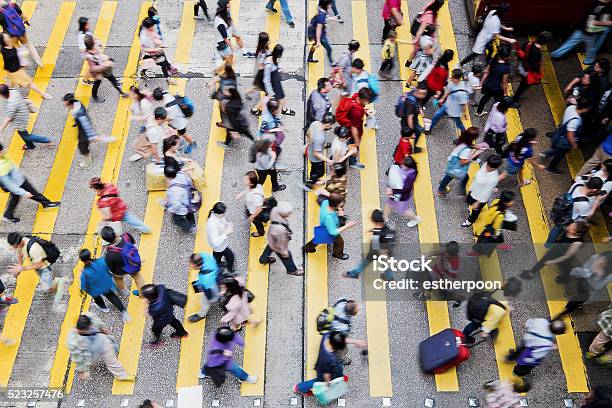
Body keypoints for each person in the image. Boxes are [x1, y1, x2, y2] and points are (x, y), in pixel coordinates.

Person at [0, 144, 60, 223]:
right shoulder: (1, 168)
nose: (4, 151)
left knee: (15, 199)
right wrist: (23, 192)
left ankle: (8, 216)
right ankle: (46, 203)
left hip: (18, 179)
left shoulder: (3, 157)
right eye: (1, 151)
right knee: (32, 193)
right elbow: (9, 184)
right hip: (17, 183)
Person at [67, 313, 135, 381]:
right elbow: (77, 357)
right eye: (86, 330)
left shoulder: (90, 317)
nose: (89, 330)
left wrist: (105, 331)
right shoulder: (74, 341)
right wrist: (82, 371)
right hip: (90, 351)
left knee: (111, 360)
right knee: (92, 363)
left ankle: (121, 375)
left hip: (101, 341)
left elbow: (100, 324)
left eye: (89, 328)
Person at [7, 233, 65, 306]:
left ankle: (59, 281)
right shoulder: (20, 242)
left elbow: (40, 264)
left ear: (20, 243)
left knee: (47, 289)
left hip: (44, 267)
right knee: (44, 280)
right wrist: (20, 264)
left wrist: (23, 268)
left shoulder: (34, 249)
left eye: (14, 246)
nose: (13, 248)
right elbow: (20, 253)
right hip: (36, 263)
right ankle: (51, 280)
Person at [521, 221, 589, 280]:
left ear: (575, 232)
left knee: (565, 268)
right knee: (544, 260)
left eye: (572, 227)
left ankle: (565, 277)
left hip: (564, 255)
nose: (569, 225)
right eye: (572, 224)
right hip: (557, 248)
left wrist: (553, 261)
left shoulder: (577, 243)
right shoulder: (569, 228)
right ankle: (532, 272)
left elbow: (566, 256)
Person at [545, 178, 605, 246]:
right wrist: (596, 202)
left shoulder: (577, 184)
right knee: (565, 233)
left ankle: (547, 244)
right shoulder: (584, 204)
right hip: (568, 220)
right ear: (595, 190)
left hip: (561, 212)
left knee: (556, 229)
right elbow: (588, 217)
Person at [550, 0, 611, 66]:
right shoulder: (604, 8)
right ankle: (588, 61)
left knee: (570, 43)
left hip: (581, 28)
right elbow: (595, 22)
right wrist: (607, 23)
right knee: (591, 49)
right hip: (590, 32)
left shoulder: (595, 3)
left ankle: (557, 54)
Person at [462, 277, 522, 344]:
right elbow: (490, 323)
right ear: (512, 295)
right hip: (484, 317)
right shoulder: (500, 311)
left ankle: (463, 335)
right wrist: (485, 331)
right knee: (494, 329)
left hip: (478, 312)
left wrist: (507, 306)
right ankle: (494, 338)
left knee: (472, 325)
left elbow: (496, 301)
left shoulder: (499, 291)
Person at [540, 98, 591, 174]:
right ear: (584, 109)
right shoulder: (576, 121)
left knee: (556, 148)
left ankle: (546, 154)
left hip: (559, 134)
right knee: (560, 154)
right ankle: (551, 168)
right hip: (564, 141)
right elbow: (570, 135)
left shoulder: (571, 108)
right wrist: (574, 145)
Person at [63, 93, 114, 168]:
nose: (64, 104)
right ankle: (107, 139)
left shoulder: (80, 112)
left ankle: (89, 161)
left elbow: (86, 125)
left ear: (68, 103)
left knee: (82, 146)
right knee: (92, 139)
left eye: (65, 102)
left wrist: (90, 136)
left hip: (84, 129)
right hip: (81, 125)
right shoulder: (76, 103)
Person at [79, 249, 131, 322]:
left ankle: (104, 308)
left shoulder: (84, 273)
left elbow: (83, 286)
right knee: (112, 297)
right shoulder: (101, 261)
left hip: (95, 290)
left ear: (83, 261)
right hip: (106, 285)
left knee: (97, 298)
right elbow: (108, 269)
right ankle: (124, 312)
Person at [302, 193, 357, 260]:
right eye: (340, 204)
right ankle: (337, 254)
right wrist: (348, 225)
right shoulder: (329, 217)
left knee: (319, 238)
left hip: (324, 226)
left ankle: (307, 248)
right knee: (339, 242)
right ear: (334, 205)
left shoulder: (325, 202)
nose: (342, 205)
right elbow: (333, 232)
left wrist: (339, 209)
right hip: (328, 229)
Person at [345, 209, 396, 280]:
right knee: (386, 266)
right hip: (387, 251)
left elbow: (376, 246)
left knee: (365, 262)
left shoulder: (376, 234)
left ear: (375, 222)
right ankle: (389, 278)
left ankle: (354, 273)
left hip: (378, 253)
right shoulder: (388, 229)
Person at [0, 84, 52, 150]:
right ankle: (30, 146)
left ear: (2, 95)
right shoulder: (13, 91)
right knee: (23, 134)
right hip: (23, 111)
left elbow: (7, 119)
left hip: (20, 120)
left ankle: (46, 139)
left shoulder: (12, 104)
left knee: (25, 136)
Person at [259, 201, 303, 275]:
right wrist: (285, 253)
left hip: (271, 236)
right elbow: (281, 245)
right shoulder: (281, 231)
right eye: (289, 213)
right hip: (277, 242)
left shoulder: (275, 210)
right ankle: (292, 270)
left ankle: (263, 259)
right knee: (287, 258)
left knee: (270, 246)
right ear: (285, 215)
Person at [437, 127, 484, 196]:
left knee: (449, 175)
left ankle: (441, 188)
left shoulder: (462, 139)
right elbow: (463, 162)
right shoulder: (466, 150)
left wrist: (475, 147)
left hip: (452, 161)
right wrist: (475, 154)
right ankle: (459, 191)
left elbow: (467, 145)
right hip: (456, 166)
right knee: (464, 177)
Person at [0, 33, 49, 98]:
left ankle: (6, 93)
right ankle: (43, 94)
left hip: (15, 70)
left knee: (12, 84)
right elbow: (8, 62)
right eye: (5, 36)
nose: (7, 36)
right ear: (4, 40)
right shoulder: (4, 51)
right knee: (29, 83)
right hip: (16, 71)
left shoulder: (11, 44)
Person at [100, 226, 146, 296]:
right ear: (114, 233)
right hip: (132, 264)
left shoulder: (109, 253)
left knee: (118, 280)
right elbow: (133, 244)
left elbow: (110, 267)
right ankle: (143, 293)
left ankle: (125, 291)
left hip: (119, 271)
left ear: (106, 241)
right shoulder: (127, 236)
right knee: (138, 277)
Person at [468, 191, 516, 256]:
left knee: (495, 238)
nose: (513, 202)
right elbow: (496, 229)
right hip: (490, 229)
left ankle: (499, 244)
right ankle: (478, 251)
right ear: (506, 202)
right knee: (487, 240)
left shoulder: (496, 201)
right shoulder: (500, 216)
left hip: (489, 222)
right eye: (511, 200)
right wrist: (495, 236)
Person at [462, 154, 504, 227]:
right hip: (473, 189)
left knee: (475, 211)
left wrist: (478, 203)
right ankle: (470, 204)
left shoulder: (493, 178)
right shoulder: (485, 165)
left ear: (495, 168)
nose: (487, 167)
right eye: (488, 165)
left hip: (479, 197)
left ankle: (470, 221)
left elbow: (486, 193)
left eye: (490, 167)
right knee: (469, 199)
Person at [335, 87, 373, 168]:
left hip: (347, 126)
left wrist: (365, 111)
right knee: (353, 146)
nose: (368, 102)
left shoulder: (356, 96)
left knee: (348, 144)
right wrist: (357, 140)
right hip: (352, 131)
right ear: (362, 99)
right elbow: (354, 127)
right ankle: (351, 162)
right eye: (367, 101)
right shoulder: (357, 111)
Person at [83, 35, 126, 103]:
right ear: (92, 43)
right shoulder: (89, 56)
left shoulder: (95, 45)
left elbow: (99, 47)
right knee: (97, 84)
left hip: (104, 67)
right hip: (98, 72)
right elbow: (93, 68)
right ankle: (94, 97)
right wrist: (105, 65)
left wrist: (106, 59)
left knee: (112, 79)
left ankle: (122, 92)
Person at [152, 88, 196, 153]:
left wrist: (159, 121)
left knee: (183, 134)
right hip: (178, 119)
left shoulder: (170, 107)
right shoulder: (166, 93)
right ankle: (178, 140)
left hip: (180, 123)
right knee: (175, 133)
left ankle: (192, 143)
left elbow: (169, 118)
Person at [213, 1, 251, 75]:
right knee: (229, 59)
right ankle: (222, 72)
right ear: (223, 8)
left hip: (223, 41)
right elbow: (224, 37)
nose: (229, 8)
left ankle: (219, 71)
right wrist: (231, 46)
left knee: (229, 59)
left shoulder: (223, 15)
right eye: (227, 7)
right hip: (222, 43)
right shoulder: (219, 21)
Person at [0, 0, 42, 67]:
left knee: (17, 48)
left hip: (11, 34)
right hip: (21, 30)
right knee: (29, 45)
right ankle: (39, 62)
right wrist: (26, 22)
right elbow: (24, 17)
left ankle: (23, 64)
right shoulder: (13, 5)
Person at [512, 31, 553, 101]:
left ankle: (517, 95)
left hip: (522, 66)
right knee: (523, 85)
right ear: (545, 43)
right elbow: (533, 66)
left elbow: (521, 51)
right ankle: (514, 99)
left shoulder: (528, 43)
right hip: (527, 71)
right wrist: (537, 72)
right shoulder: (537, 52)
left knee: (523, 84)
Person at [427, 68, 469, 133]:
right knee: (436, 115)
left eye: (453, 77)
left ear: (458, 79)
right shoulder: (451, 82)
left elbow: (463, 104)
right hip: (447, 104)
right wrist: (442, 99)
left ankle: (464, 137)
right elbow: (448, 90)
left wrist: (464, 113)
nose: (451, 78)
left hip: (455, 110)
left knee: (459, 125)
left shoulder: (462, 92)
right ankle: (429, 129)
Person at [384, 156, 421, 227]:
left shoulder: (411, 176)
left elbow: (405, 189)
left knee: (403, 210)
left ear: (408, 167)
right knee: (389, 203)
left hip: (402, 196)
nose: (401, 166)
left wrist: (392, 191)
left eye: (403, 166)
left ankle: (416, 219)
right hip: (396, 192)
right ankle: (384, 217)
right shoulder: (406, 169)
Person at [327, 299, 367, 365]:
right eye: (357, 310)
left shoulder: (342, 301)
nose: (359, 309)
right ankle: (340, 359)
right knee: (342, 350)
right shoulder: (342, 326)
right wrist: (355, 342)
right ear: (351, 314)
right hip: (334, 334)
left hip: (331, 323)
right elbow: (340, 339)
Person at [303, 112, 335, 191]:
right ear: (327, 124)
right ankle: (311, 183)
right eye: (331, 125)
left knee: (314, 169)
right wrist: (329, 161)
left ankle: (312, 178)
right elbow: (316, 153)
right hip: (315, 158)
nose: (331, 127)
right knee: (320, 172)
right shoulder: (319, 138)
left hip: (310, 150)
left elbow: (308, 133)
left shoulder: (315, 123)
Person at [405, 0, 443, 66]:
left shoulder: (430, 5)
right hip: (422, 36)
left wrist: (436, 22)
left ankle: (409, 62)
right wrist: (416, 40)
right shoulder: (429, 16)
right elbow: (420, 31)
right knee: (416, 49)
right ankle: (409, 63)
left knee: (417, 49)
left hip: (425, 34)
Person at [139, 17, 177, 84]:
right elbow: (146, 49)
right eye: (152, 26)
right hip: (152, 52)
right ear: (148, 27)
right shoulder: (144, 37)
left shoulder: (150, 30)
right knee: (161, 63)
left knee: (161, 60)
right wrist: (156, 49)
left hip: (157, 49)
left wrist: (159, 44)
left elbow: (156, 36)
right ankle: (168, 78)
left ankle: (168, 67)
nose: (153, 27)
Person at [476, 47, 511, 116]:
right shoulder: (506, 68)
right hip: (497, 88)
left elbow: (486, 72)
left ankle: (478, 112)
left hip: (489, 84)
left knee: (485, 98)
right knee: (498, 101)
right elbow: (504, 83)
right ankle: (494, 114)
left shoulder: (493, 60)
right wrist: (505, 94)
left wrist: (481, 82)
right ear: (505, 57)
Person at [187, 252, 220, 322]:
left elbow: (209, 294)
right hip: (216, 276)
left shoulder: (205, 279)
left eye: (192, 265)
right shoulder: (204, 255)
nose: (190, 266)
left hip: (212, 288)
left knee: (204, 302)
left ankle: (201, 315)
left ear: (198, 266)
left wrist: (210, 299)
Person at [263, 44, 295, 116]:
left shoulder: (273, 57)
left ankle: (283, 109)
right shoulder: (268, 64)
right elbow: (266, 80)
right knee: (282, 98)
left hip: (276, 80)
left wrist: (280, 69)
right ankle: (284, 110)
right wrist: (270, 92)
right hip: (274, 83)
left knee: (280, 98)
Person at [206, 202, 235, 272]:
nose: (224, 215)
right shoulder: (212, 224)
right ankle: (229, 270)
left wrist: (228, 225)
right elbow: (215, 242)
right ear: (218, 213)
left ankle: (218, 265)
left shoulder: (216, 215)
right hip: (219, 246)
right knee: (230, 256)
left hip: (222, 245)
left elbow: (223, 221)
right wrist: (226, 233)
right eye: (223, 214)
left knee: (217, 257)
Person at [236, 171, 267, 237]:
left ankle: (260, 233)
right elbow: (248, 190)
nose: (244, 180)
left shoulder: (256, 196)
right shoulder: (254, 186)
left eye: (246, 180)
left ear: (251, 184)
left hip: (255, 214)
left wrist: (252, 217)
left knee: (258, 224)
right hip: (250, 208)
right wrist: (242, 194)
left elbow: (259, 209)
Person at [398, 84, 427, 153]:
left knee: (416, 132)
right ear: (417, 90)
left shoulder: (414, 92)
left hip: (412, 118)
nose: (423, 95)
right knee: (407, 136)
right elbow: (409, 118)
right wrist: (412, 131)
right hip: (407, 121)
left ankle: (408, 147)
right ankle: (403, 150)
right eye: (421, 93)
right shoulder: (411, 103)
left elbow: (419, 104)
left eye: (424, 93)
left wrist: (423, 116)